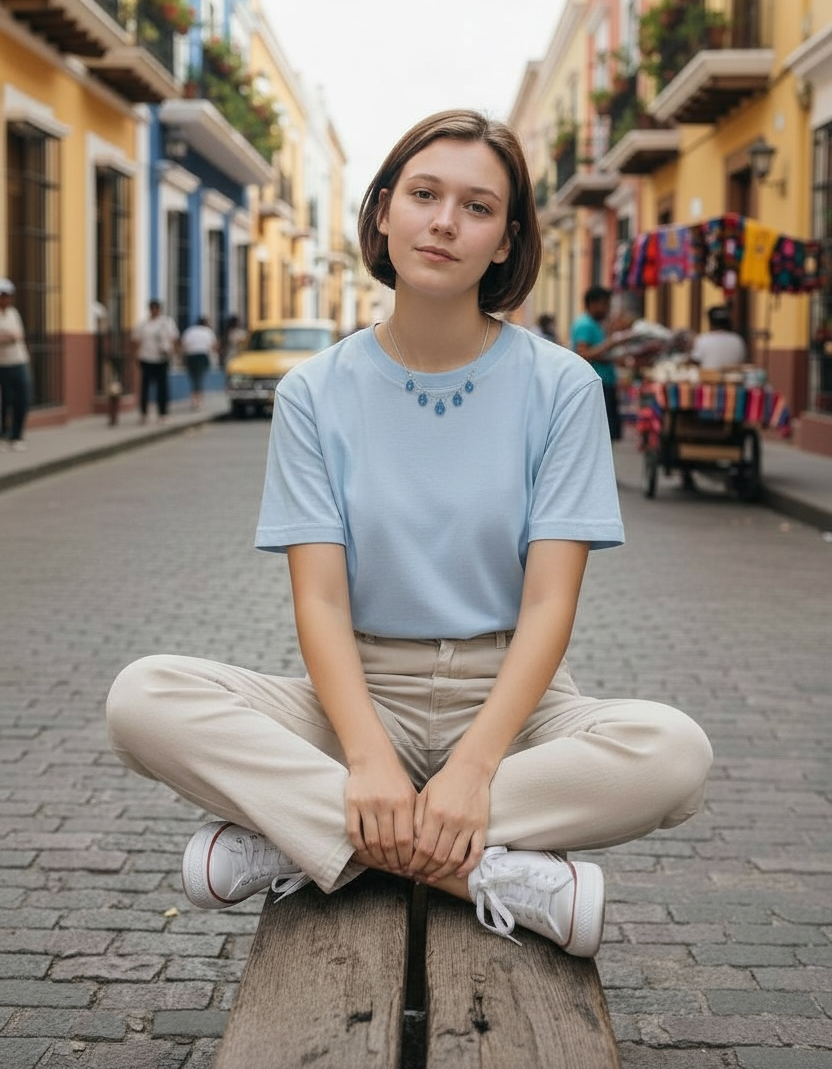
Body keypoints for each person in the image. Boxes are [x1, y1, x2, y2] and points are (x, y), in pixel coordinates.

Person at [106, 111, 712, 960]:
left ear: (505, 241)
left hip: (515, 702)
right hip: (359, 692)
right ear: (385, 213)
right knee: (143, 696)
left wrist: (472, 768)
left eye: (477, 207)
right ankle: (487, 872)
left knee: (674, 753)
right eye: (424, 195)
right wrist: (365, 757)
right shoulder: (314, 393)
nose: (444, 222)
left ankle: (304, 839)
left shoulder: (562, 385)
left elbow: (549, 603)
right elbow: (318, 598)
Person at [570, 286, 630, 442]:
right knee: (600, 434)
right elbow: (583, 354)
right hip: (597, 383)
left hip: (605, 382)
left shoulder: (596, 324)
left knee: (608, 433)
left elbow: (598, 353)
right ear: (593, 304)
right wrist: (611, 343)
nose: (607, 309)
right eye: (605, 304)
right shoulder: (585, 325)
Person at [131, 300, 179, 423]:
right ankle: (144, 413)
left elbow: (174, 339)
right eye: (152, 308)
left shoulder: (167, 323)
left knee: (162, 387)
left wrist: (173, 352)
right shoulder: (143, 325)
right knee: (145, 386)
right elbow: (136, 340)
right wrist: (135, 356)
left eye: (156, 308)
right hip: (146, 358)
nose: (154, 311)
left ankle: (163, 413)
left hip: (162, 358)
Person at [0, 278, 30, 451]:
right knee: (4, 401)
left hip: (18, 362)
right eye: (3, 295)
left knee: (22, 399)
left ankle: (17, 435)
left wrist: (6, 337)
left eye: (8, 296)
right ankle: (3, 435)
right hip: (2, 364)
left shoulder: (13, 314)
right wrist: (7, 337)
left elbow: (18, 335)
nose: (6, 299)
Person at [180, 316, 218, 410]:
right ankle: (198, 400)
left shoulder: (189, 331)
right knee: (200, 378)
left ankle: (194, 399)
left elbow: (184, 345)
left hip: (191, 356)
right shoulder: (208, 331)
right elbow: (213, 346)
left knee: (193, 378)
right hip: (202, 356)